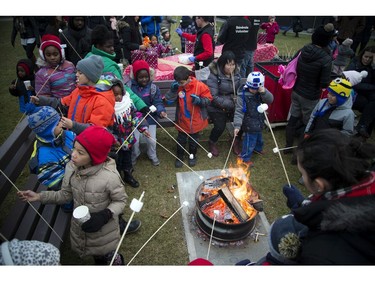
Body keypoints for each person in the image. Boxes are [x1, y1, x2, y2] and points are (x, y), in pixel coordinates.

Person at [261, 128, 375, 265]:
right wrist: (304, 206)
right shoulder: (364, 188)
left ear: (319, 185)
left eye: (302, 174)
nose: (302, 177)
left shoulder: (321, 254)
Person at [18, 125, 128, 265]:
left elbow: (120, 200)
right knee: (95, 254)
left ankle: (117, 262)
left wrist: (105, 214)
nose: (73, 154)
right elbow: (65, 195)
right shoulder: (71, 167)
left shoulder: (110, 177)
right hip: (81, 227)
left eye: (80, 152)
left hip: (103, 230)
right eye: (74, 148)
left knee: (106, 253)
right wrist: (39, 196)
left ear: (94, 157)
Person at [31, 55, 115, 135]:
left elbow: (96, 129)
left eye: (80, 73)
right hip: (75, 138)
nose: (76, 75)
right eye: (77, 72)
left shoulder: (102, 101)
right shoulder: (78, 91)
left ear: (90, 76)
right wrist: (41, 100)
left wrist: (72, 125)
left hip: (89, 145)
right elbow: (61, 104)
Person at [284, 23, 335, 151]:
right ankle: (300, 152)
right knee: (308, 124)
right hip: (310, 96)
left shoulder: (303, 49)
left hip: (296, 90)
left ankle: (288, 146)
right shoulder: (326, 58)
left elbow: (292, 64)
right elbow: (324, 83)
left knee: (293, 118)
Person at [85, 24, 148, 112]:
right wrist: (140, 105)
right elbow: (122, 88)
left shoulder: (88, 57)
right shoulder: (108, 66)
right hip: (109, 107)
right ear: (98, 46)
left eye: (112, 46)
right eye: (108, 46)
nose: (112, 49)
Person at [25, 103, 75, 211]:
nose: (62, 124)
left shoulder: (65, 135)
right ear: (48, 130)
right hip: (70, 198)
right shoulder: (45, 158)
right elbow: (61, 185)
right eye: (58, 123)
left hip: (80, 178)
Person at [165, 66, 213, 168]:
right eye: (178, 82)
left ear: (188, 78)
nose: (179, 84)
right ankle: (180, 156)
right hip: (182, 120)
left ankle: (193, 155)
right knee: (181, 140)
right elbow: (169, 101)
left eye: (181, 82)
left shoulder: (199, 86)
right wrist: (172, 91)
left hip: (196, 121)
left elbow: (208, 99)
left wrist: (200, 101)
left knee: (193, 141)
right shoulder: (177, 87)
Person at [110, 78, 150, 188]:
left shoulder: (128, 103)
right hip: (115, 144)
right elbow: (106, 128)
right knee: (116, 161)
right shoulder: (107, 108)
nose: (118, 97)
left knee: (127, 160)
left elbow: (136, 117)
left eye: (120, 94)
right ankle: (117, 179)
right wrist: (113, 140)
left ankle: (128, 175)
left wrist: (143, 128)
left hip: (128, 140)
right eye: (115, 94)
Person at [127, 60, 167, 167]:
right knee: (134, 142)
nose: (144, 79)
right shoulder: (129, 88)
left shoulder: (153, 88)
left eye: (146, 77)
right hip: (135, 119)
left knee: (152, 141)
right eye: (141, 77)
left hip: (150, 119)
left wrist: (161, 111)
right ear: (135, 77)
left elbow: (158, 102)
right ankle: (135, 155)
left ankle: (152, 155)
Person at [233, 72, 274, 167]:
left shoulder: (261, 92)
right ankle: (244, 157)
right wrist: (237, 126)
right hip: (249, 123)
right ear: (247, 85)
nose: (254, 91)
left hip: (259, 121)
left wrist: (263, 91)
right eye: (251, 88)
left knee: (259, 138)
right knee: (249, 142)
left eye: (256, 89)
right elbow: (239, 112)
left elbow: (270, 99)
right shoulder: (242, 95)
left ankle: (258, 148)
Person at [206, 51, 241, 157]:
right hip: (216, 106)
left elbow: (239, 91)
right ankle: (212, 141)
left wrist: (238, 100)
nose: (231, 67)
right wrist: (231, 103)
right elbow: (213, 97)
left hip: (232, 104)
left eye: (233, 64)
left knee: (242, 122)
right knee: (220, 126)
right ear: (222, 64)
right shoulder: (214, 76)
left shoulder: (237, 75)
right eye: (228, 64)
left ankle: (235, 140)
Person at [345, 45, 375, 139]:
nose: (367, 59)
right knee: (369, 107)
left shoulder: (372, 67)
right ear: (362, 55)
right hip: (353, 93)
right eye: (366, 56)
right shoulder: (355, 63)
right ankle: (362, 128)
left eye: (370, 58)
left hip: (367, 92)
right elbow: (352, 83)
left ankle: (362, 129)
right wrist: (371, 87)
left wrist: (374, 67)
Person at [35, 34, 76, 98]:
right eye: (48, 55)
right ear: (43, 56)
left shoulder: (70, 65)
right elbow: (43, 96)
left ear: (61, 53)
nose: (52, 58)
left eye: (55, 54)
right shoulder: (42, 74)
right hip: (58, 106)